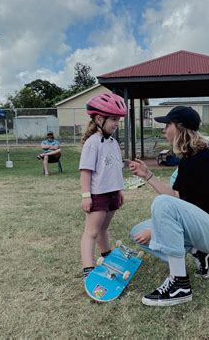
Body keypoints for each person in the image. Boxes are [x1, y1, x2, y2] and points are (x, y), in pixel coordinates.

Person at [128, 106, 209, 307]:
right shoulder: (191, 158)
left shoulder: (201, 160)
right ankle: (200, 253)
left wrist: (156, 233)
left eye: (167, 125)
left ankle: (179, 284)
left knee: (162, 205)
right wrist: (147, 175)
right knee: (138, 231)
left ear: (180, 128)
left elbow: (173, 204)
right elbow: (177, 197)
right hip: (208, 228)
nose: (164, 130)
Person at [79, 93, 127, 279]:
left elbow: (115, 169)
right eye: (114, 119)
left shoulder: (113, 142)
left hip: (112, 193)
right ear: (99, 118)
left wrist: (119, 190)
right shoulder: (92, 143)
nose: (117, 123)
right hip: (98, 195)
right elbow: (85, 171)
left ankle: (107, 256)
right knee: (91, 232)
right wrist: (86, 195)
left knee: (104, 228)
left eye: (118, 119)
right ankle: (88, 270)